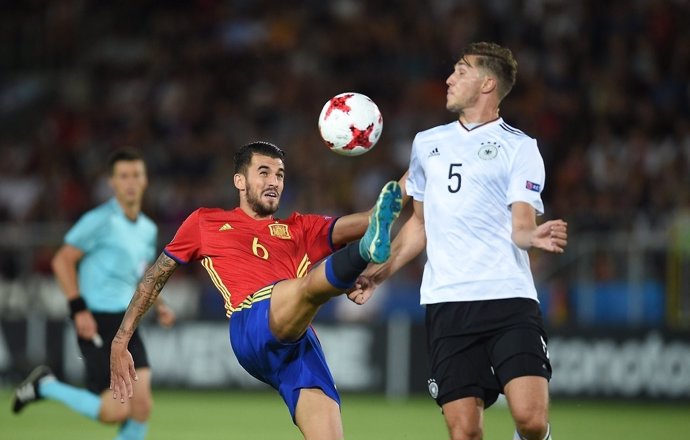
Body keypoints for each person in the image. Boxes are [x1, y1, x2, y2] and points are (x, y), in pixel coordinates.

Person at [109, 141, 403, 440]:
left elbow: (376, 215)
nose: (274, 181)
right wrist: (122, 340)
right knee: (307, 289)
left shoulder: (300, 228)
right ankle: (364, 251)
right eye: (264, 172)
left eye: (280, 175)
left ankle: (364, 250)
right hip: (251, 322)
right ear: (240, 181)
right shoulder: (205, 222)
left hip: (298, 343)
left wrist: (420, 167)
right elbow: (155, 277)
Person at [348, 42, 568, 440]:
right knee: (464, 431)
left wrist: (531, 234)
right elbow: (419, 224)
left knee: (531, 420)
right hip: (447, 302)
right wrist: (379, 274)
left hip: (508, 297)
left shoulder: (520, 147)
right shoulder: (427, 143)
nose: (449, 79)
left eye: (460, 71)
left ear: (487, 84)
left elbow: (520, 225)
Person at [12, 148, 175, 440]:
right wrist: (79, 310)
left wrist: (160, 303)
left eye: (136, 175)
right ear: (112, 182)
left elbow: (141, 274)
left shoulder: (148, 229)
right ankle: (46, 385)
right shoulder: (100, 220)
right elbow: (62, 260)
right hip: (98, 317)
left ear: (145, 180)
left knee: (142, 407)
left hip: (128, 321)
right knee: (115, 411)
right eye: (123, 176)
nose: (130, 182)